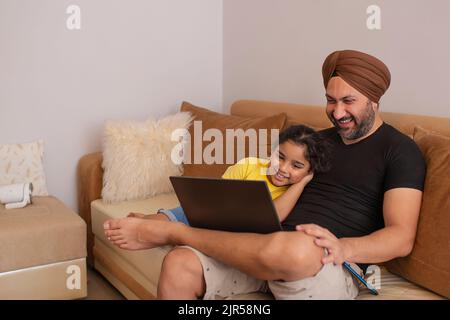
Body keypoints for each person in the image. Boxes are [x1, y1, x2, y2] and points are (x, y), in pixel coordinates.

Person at [104, 50, 426, 300]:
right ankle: (171, 230)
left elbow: (401, 237)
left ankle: (176, 234)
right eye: (330, 100)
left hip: (322, 261)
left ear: (374, 100)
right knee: (180, 264)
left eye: (348, 101)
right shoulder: (315, 142)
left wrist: (344, 248)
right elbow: (249, 199)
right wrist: (167, 216)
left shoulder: (400, 151)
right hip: (264, 249)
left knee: (295, 248)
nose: (337, 112)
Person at [121, 124, 330, 227]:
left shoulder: (294, 193)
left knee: (173, 228)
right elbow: (218, 193)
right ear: (272, 151)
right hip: (212, 212)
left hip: (236, 229)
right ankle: (145, 221)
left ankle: (150, 228)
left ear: (309, 171)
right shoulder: (249, 164)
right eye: (280, 157)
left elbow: (275, 217)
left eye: (296, 165)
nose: (283, 168)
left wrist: (301, 183)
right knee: (173, 216)